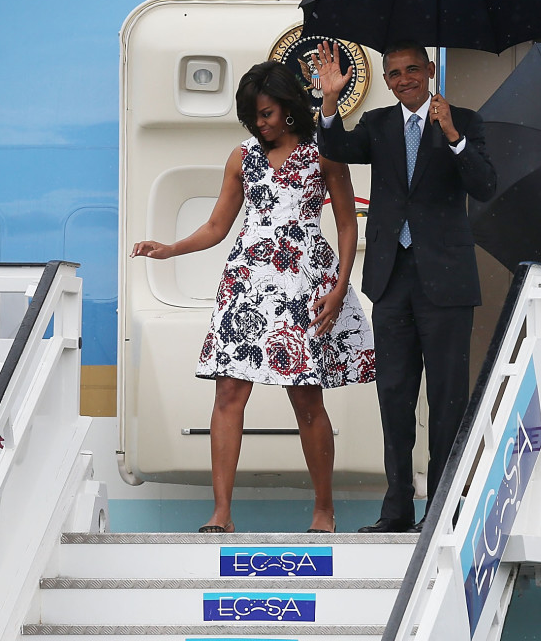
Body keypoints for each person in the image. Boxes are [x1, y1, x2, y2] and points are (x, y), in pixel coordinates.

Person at [131, 61, 375, 534]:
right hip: (247, 281)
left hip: (306, 281)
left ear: (287, 108)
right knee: (228, 393)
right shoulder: (242, 157)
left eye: (265, 113)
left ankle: (323, 510)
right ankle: (221, 513)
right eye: (252, 117)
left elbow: (347, 224)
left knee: (307, 401)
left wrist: (341, 285)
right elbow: (218, 226)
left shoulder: (323, 153)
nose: (259, 124)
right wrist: (170, 248)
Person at [311, 39, 496, 533]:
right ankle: (396, 511)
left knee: (447, 400)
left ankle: (441, 511)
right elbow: (334, 147)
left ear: (430, 70)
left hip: (447, 283)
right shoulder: (378, 125)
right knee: (394, 396)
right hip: (392, 280)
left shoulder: (465, 121)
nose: (404, 79)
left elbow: (484, 184)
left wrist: (453, 135)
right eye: (394, 74)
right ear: (388, 81)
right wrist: (329, 100)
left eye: (413, 69)